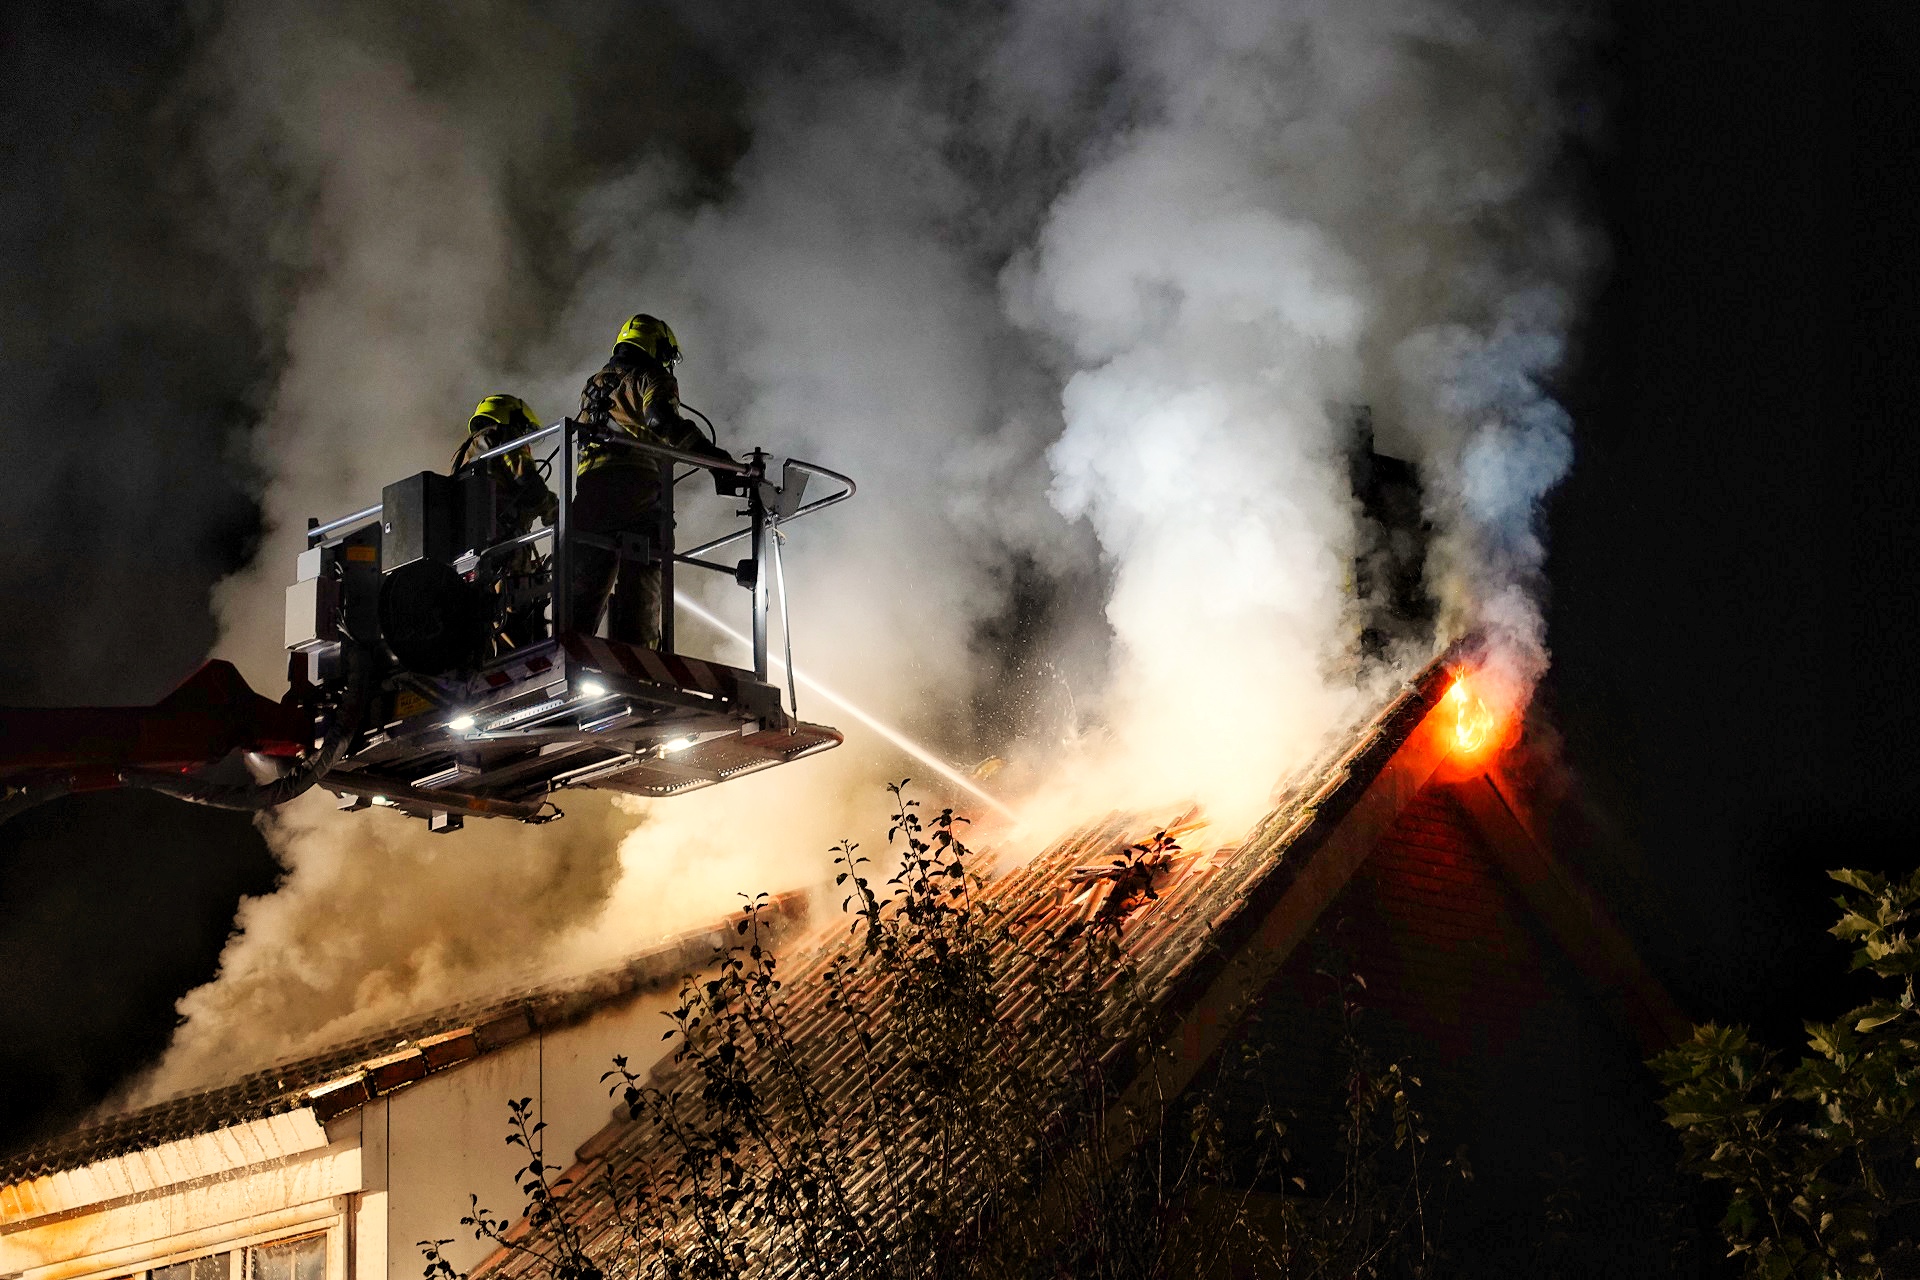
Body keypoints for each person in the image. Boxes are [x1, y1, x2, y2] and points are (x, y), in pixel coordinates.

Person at [569, 314, 733, 648]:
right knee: (645, 563)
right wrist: (716, 461)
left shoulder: (595, 382)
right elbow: (661, 420)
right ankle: (636, 658)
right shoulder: (650, 376)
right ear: (656, 346)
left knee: (586, 583)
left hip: (589, 492)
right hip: (635, 488)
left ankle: (570, 649)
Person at [454, 394, 555, 651]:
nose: (524, 434)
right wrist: (556, 511)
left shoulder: (467, 454)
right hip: (505, 548)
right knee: (520, 612)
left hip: (473, 553)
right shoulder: (503, 435)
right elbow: (529, 484)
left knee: (491, 617)